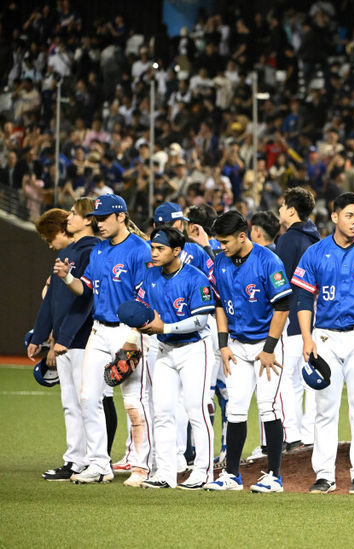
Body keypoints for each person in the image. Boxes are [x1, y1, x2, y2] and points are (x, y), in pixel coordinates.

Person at [291, 193, 354, 495]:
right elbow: (302, 297)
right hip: (324, 335)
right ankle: (324, 474)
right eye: (349, 215)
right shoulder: (315, 252)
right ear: (335, 216)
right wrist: (307, 337)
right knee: (325, 408)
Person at [53, 194, 153, 486]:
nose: (99, 224)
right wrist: (67, 277)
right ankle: (99, 464)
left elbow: (144, 297)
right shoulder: (98, 252)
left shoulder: (139, 250)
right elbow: (86, 289)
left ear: (121, 216)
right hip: (99, 330)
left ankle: (141, 466)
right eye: (96, 218)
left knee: (134, 402)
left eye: (104, 218)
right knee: (88, 397)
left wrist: (134, 337)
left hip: (128, 331)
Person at [204, 211, 291, 493]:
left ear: (243, 236)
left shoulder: (268, 261)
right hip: (237, 344)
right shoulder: (220, 262)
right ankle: (231, 475)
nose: (221, 246)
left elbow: (282, 307)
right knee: (237, 409)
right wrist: (223, 343)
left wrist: (268, 349)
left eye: (225, 241)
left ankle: (274, 476)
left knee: (268, 406)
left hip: (268, 344)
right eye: (218, 241)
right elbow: (218, 303)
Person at [130, 227, 216, 490]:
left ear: (177, 251)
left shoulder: (194, 278)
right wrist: (141, 324)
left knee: (196, 410)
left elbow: (200, 320)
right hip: (165, 350)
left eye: (160, 248)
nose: (153, 253)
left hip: (195, 350)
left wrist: (163, 328)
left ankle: (203, 472)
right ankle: (165, 472)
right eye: (153, 247)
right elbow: (143, 309)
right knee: (162, 411)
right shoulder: (150, 276)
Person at [29, 202, 100, 481]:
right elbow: (53, 304)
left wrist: (65, 337)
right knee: (72, 403)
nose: (49, 245)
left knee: (87, 403)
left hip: (82, 339)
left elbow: (85, 300)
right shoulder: (68, 253)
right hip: (66, 341)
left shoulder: (92, 251)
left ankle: (92, 461)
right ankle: (76, 460)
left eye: (73, 214)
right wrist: (39, 335)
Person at [275, 187, 321, 449]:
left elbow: (280, 285)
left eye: (282, 206)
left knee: (284, 381)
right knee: (305, 382)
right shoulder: (316, 238)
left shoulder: (289, 240)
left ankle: (291, 436)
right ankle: (308, 436)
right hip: (314, 318)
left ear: (291, 210)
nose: (280, 210)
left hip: (292, 318)